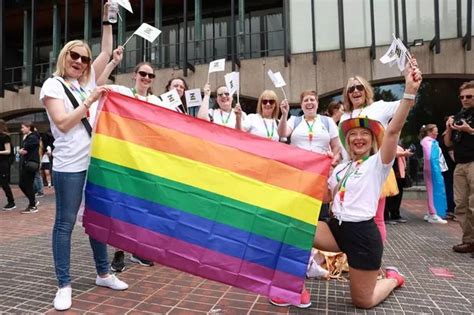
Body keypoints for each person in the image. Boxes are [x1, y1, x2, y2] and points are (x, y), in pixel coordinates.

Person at [270, 65, 422, 309]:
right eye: (353, 135)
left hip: (362, 237)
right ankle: (294, 288)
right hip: (336, 231)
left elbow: (392, 131)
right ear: (347, 140)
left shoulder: (378, 163)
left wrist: (410, 91)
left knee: (363, 301)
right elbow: (327, 196)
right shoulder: (341, 167)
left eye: (364, 134)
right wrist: (288, 188)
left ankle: (393, 279)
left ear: (372, 139)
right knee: (293, 227)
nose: (358, 138)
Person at [39, 5, 128, 311]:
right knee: (64, 224)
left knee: (97, 221)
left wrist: (108, 18)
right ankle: (64, 284)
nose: (79, 61)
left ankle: (103, 272)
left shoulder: (84, 82)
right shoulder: (53, 85)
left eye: (84, 58)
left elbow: (105, 50)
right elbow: (63, 123)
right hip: (69, 167)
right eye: (74, 56)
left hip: (95, 164)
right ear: (64, 57)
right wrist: (89, 100)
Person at [339, 71, 415, 242]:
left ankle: (376, 259)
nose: (355, 91)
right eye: (351, 89)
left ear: (366, 90)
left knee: (376, 217)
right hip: (351, 172)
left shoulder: (378, 107)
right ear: (347, 94)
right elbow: (343, 148)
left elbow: (407, 104)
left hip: (374, 169)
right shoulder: (344, 116)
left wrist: (411, 86)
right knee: (351, 215)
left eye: (359, 87)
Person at [106, 56, 156, 270]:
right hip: (124, 158)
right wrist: (113, 61)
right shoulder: (123, 93)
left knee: (142, 207)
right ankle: (118, 251)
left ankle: (138, 249)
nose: (146, 77)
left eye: (150, 75)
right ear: (135, 75)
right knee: (122, 206)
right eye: (142, 73)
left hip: (145, 162)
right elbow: (98, 82)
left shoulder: (157, 102)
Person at [278, 90, 340, 222]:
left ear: (317, 103)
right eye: (306, 100)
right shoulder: (294, 120)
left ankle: (319, 239)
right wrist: (284, 115)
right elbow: (282, 133)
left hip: (321, 174)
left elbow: (336, 146)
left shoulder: (327, 121)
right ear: (301, 105)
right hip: (299, 174)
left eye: (312, 100)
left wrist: (333, 160)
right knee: (299, 210)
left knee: (321, 212)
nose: (309, 103)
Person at [443, 80, 474, 256]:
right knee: (461, 204)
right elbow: (448, 143)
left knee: (473, 203)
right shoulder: (459, 115)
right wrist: (449, 127)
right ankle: (469, 240)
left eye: (469, 96)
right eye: (462, 97)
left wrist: (470, 130)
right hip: (460, 164)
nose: (465, 99)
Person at [419, 124, 448, 223]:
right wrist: (434, 169)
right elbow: (429, 157)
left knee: (432, 190)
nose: (437, 133)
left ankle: (431, 212)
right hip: (432, 169)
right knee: (434, 190)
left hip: (432, 168)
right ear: (429, 132)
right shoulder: (428, 142)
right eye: (435, 131)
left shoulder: (429, 142)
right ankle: (433, 214)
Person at [384, 145, 413, 224]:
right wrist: (403, 153)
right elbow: (389, 154)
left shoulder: (398, 145)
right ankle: (385, 216)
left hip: (399, 173)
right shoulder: (384, 142)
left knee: (398, 195)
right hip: (390, 172)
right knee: (389, 195)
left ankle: (395, 214)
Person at [18, 122, 40, 214]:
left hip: (31, 163)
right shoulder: (29, 137)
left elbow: (25, 149)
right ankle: (33, 201)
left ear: (28, 127)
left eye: (23, 127)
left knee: (28, 185)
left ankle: (32, 206)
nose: (21, 129)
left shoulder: (33, 137)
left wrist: (21, 150)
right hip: (28, 163)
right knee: (22, 184)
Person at [0, 119, 15, 210]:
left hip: (3, 163)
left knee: (4, 183)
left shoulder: (5, 137)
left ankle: (11, 202)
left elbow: (8, 151)